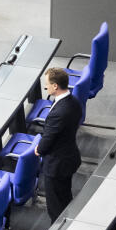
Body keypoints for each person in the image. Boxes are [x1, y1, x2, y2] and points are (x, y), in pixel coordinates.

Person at [34, 67, 82, 222]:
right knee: (64, 197)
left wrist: (39, 149)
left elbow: (49, 137)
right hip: (68, 157)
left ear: (55, 86)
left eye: (47, 84)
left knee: (56, 208)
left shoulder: (60, 112)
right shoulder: (73, 101)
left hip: (57, 165)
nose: (45, 87)